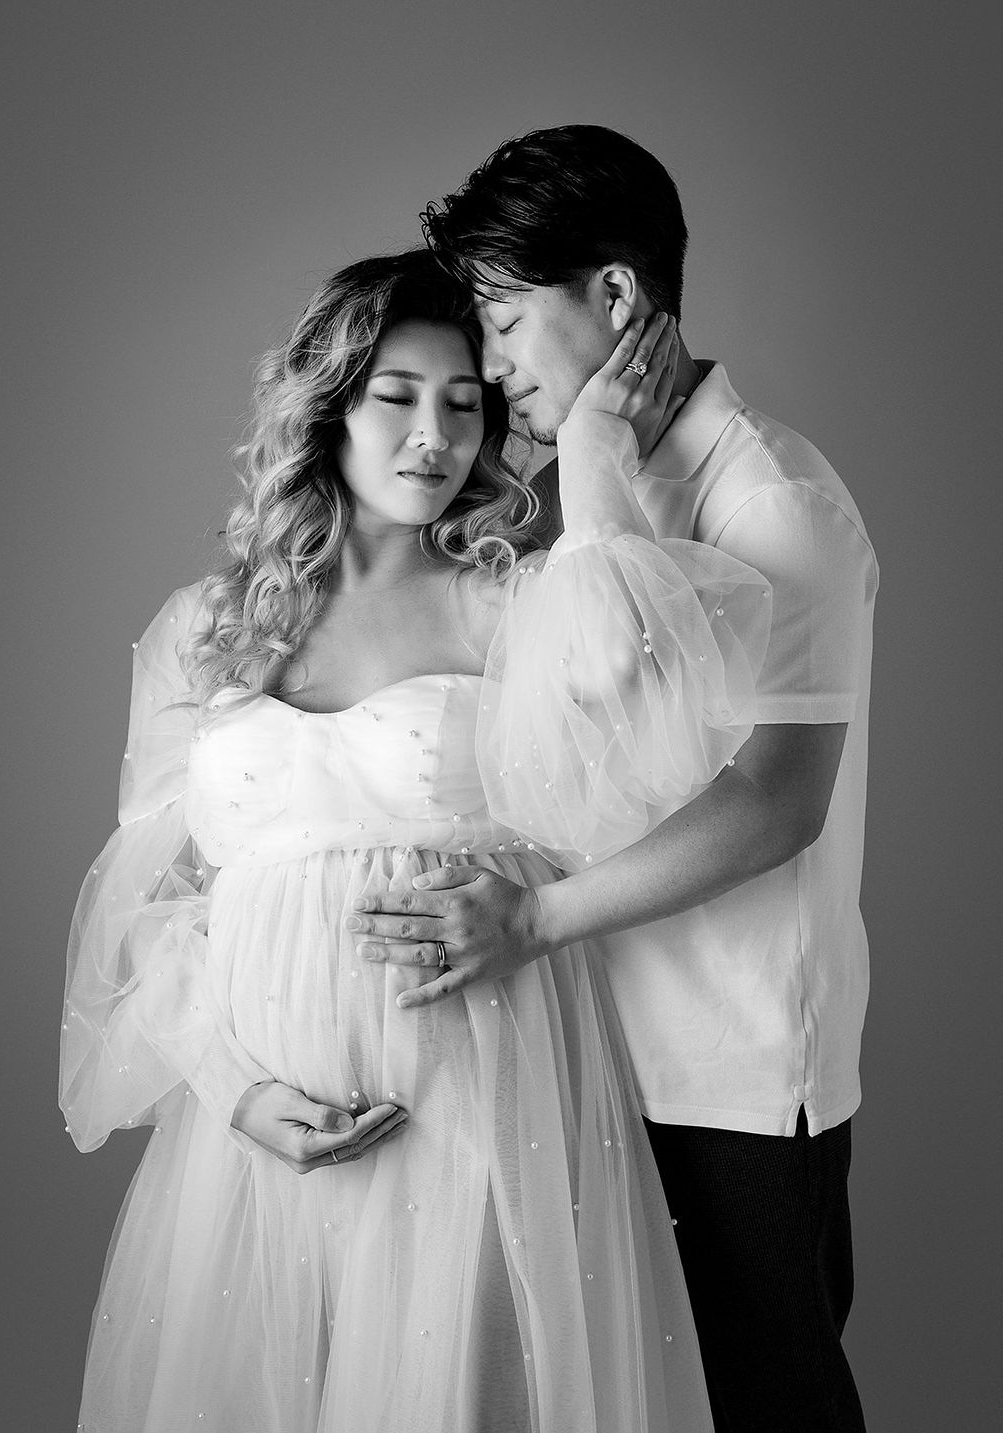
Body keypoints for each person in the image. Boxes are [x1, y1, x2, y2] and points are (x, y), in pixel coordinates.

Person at [60, 249, 771, 1432]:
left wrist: (591, 458)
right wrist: (237, 1093)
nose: (434, 437)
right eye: (396, 396)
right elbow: (152, 903)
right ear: (327, 405)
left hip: (476, 1103)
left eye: (465, 402)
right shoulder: (207, 628)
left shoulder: (512, 601)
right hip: (255, 1144)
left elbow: (647, 705)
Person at [353, 127, 878, 1432]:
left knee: (765, 1403)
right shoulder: (585, 494)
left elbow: (776, 800)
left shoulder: (774, 501)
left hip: (731, 1076)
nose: (491, 368)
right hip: (587, 1052)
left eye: (507, 322)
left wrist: (526, 923)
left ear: (619, 296)